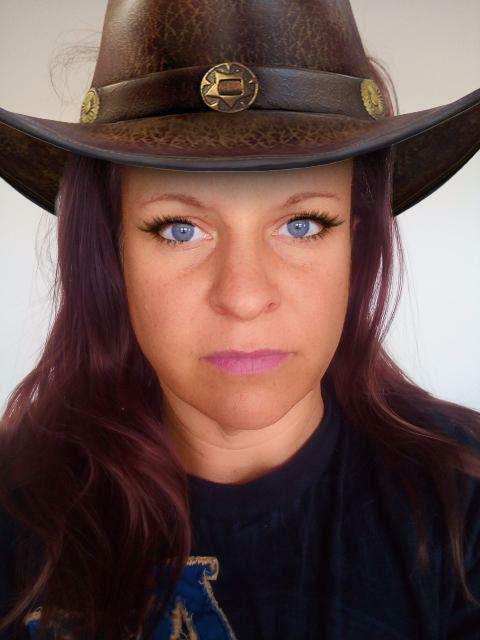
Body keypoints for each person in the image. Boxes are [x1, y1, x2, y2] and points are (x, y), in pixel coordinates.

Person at [0, 1, 479, 639]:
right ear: (112, 251)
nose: (245, 297)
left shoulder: (464, 503)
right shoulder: (15, 515)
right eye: (180, 229)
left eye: (302, 225)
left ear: (355, 244)